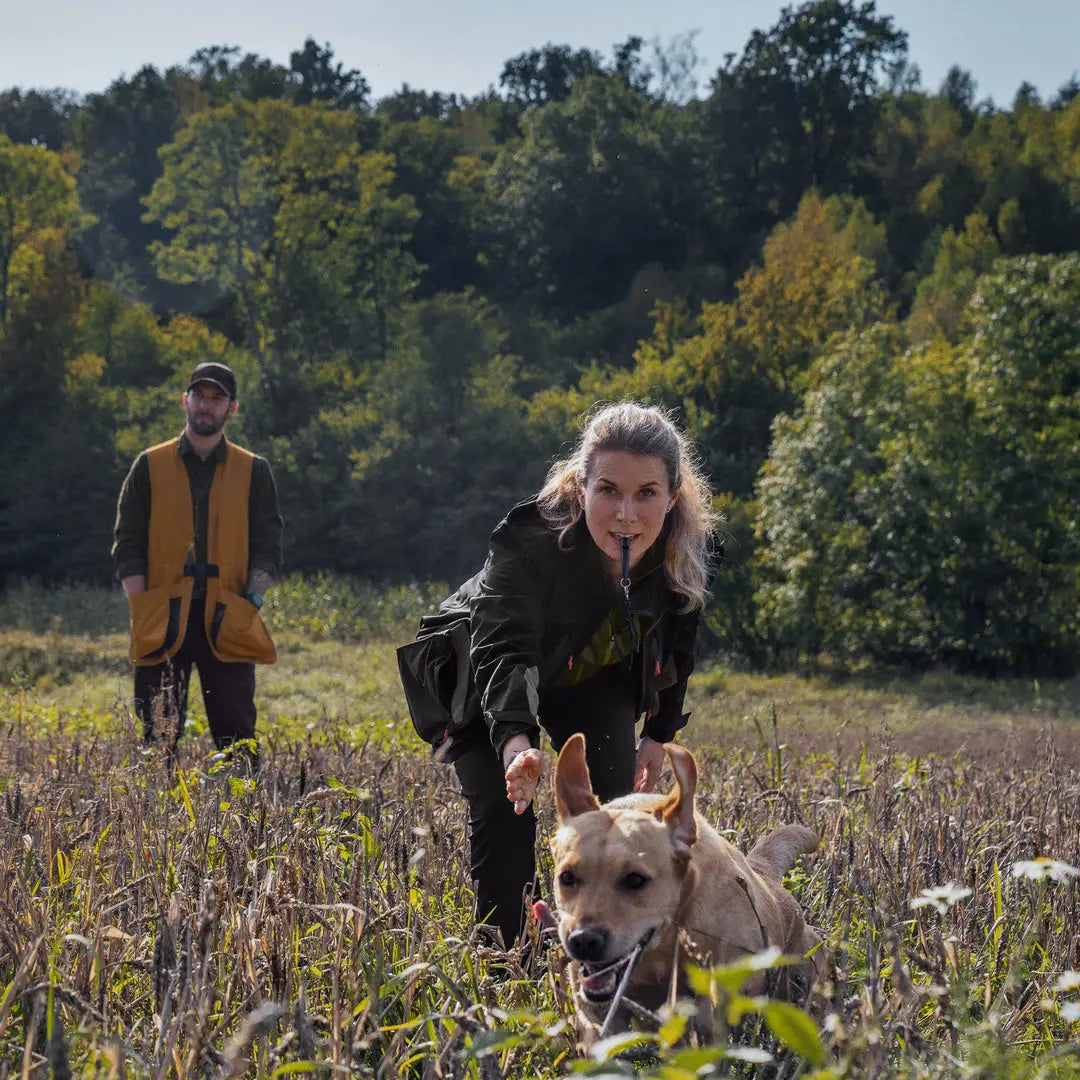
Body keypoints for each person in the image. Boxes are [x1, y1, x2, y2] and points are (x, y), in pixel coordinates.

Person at [398, 402, 716, 949]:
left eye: (646, 493)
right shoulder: (530, 540)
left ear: (672, 494)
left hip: (587, 672)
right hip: (480, 668)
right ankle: (506, 959)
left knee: (612, 811)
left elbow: (677, 642)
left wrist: (658, 734)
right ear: (582, 485)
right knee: (507, 806)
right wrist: (517, 743)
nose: (625, 513)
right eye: (608, 490)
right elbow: (504, 646)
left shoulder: (683, 548)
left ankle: (600, 946)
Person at [112, 361, 283, 764]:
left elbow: (268, 543)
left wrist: (252, 601)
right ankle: (153, 819)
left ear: (232, 408)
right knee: (158, 736)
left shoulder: (253, 470)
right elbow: (127, 542)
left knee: (238, 737)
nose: (206, 405)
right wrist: (141, 607)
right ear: (185, 400)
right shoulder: (149, 465)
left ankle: (243, 815)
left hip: (228, 616)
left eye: (216, 398)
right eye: (200, 396)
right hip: (163, 615)